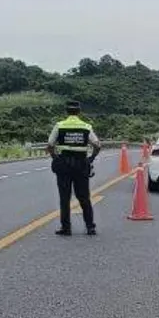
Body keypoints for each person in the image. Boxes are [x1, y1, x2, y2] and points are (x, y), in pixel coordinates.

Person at [47, 100, 101, 236]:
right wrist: (91, 159)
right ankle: (90, 227)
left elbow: (50, 145)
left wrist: (56, 158)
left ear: (66, 111)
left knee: (64, 198)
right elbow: (97, 145)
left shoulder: (59, 126)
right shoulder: (86, 127)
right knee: (84, 197)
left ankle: (66, 228)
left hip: (64, 165)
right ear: (79, 111)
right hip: (81, 165)